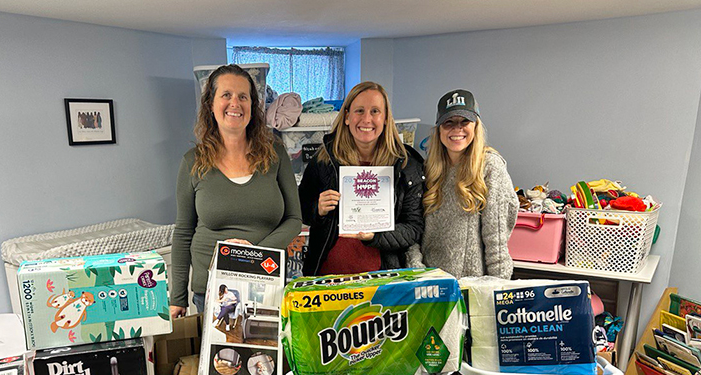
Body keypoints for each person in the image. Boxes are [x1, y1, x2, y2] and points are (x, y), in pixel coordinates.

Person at [170, 64, 302, 317]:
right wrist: (177, 298)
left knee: (267, 358)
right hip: (211, 289)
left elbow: (294, 219)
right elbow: (184, 231)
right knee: (220, 358)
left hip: (266, 282)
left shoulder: (276, 155)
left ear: (253, 105)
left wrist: (252, 253)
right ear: (211, 104)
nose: (235, 103)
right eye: (226, 95)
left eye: (243, 97)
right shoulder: (193, 162)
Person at [298, 81, 424, 276]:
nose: (366, 119)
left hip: (382, 280)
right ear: (347, 116)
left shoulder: (407, 164)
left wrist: (376, 236)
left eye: (375, 111)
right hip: (329, 277)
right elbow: (301, 208)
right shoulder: (324, 160)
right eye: (359, 111)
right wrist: (318, 209)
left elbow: (414, 228)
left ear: (385, 118)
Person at [406, 89, 518, 278]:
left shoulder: (490, 167)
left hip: (471, 290)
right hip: (430, 288)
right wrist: (417, 272)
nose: (457, 129)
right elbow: (413, 229)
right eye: (448, 122)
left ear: (475, 126)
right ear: (439, 128)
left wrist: (498, 290)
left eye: (464, 121)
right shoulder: (428, 170)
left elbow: (496, 243)